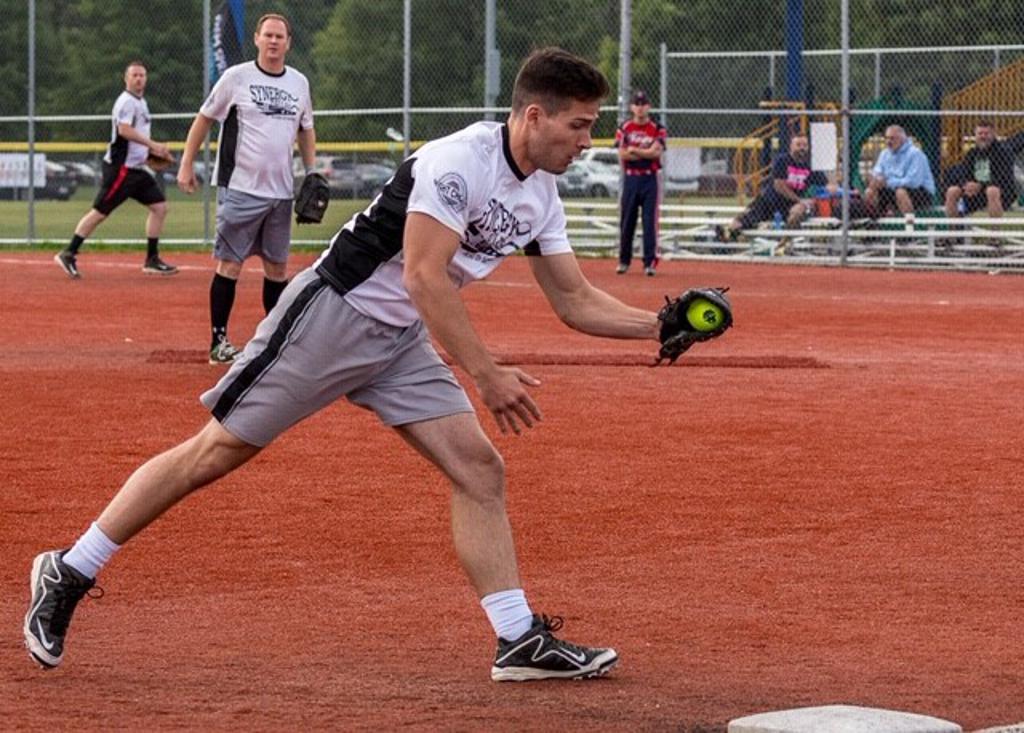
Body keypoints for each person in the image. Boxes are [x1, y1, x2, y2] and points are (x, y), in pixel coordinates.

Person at [24, 47, 674, 683]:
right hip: (334, 315)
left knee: (479, 469)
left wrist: (664, 325)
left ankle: (516, 637)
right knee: (215, 451)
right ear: (534, 115)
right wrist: (486, 372)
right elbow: (423, 276)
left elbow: (574, 298)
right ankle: (71, 567)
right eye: (579, 125)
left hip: (401, 340)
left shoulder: (541, 195)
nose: (587, 141)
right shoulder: (459, 161)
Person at [177, 13, 316, 365]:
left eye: (279, 36)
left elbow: (306, 128)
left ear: (288, 43)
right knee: (230, 265)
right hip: (240, 188)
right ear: (256, 38)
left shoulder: (299, 83)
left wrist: (312, 172)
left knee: (277, 269)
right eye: (267, 35)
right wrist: (186, 162)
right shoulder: (236, 77)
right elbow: (204, 119)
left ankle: (276, 342)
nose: (273, 41)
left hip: (281, 192)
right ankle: (219, 342)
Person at [54, 61, 177, 279]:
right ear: (126, 79)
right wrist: (153, 145)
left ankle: (152, 259)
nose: (139, 79)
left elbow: (136, 138)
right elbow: (124, 131)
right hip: (121, 170)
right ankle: (69, 253)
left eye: (142, 75)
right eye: (134, 75)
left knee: (159, 208)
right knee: (100, 212)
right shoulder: (126, 102)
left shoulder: (141, 102)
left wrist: (150, 155)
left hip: (136, 170)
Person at [715, 133, 833, 242]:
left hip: (790, 205)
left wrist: (833, 190)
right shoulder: (782, 160)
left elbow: (827, 185)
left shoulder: (811, 166)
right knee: (745, 217)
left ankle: (783, 242)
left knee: (798, 210)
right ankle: (727, 233)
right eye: (798, 145)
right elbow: (779, 186)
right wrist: (799, 199)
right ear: (791, 146)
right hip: (770, 201)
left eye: (805, 145)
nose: (802, 148)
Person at [615, 90, 667, 276]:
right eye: (636, 104)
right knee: (627, 220)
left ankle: (649, 262)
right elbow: (622, 154)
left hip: (649, 178)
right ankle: (624, 261)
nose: (640, 108)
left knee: (649, 221)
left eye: (643, 104)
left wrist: (635, 150)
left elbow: (656, 152)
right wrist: (644, 152)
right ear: (631, 107)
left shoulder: (657, 128)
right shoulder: (625, 128)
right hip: (631, 178)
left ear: (649, 106)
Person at [943, 120, 1018, 219]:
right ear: (975, 135)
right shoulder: (972, 153)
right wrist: (965, 184)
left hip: (1001, 192)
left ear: (993, 134)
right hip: (976, 192)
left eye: (986, 134)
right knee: (952, 191)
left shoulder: (1004, 152)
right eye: (980, 133)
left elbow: (1004, 178)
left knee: (992, 191)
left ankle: (995, 228)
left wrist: (980, 185)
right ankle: (954, 227)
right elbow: (963, 173)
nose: (983, 136)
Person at [863, 125, 936, 216]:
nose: (888, 142)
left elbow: (913, 182)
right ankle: (875, 220)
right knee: (869, 191)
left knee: (900, 192)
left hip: (920, 192)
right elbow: (877, 171)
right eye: (887, 138)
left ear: (902, 140)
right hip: (892, 189)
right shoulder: (884, 154)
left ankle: (909, 223)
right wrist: (876, 179)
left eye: (892, 138)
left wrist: (887, 182)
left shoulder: (915, 154)